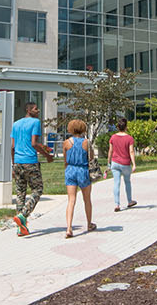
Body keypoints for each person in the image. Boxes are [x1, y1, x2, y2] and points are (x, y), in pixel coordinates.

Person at [10, 102, 53, 236]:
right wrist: (47, 155)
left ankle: (21, 228)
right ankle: (23, 215)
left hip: (18, 162)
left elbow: (13, 147)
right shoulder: (35, 122)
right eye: (35, 109)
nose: (38, 110)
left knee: (20, 193)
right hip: (30, 162)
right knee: (38, 189)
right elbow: (33, 143)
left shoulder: (15, 124)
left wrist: (13, 165)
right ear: (28, 110)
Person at [61, 119, 98, 238]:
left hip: (70, 170)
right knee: (87, 199)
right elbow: (91, 158)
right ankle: (89, 224)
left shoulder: (66, 143)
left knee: (71, 200)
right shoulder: (86, 143)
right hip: (83, 170)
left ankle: (69, 228)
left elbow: (65, 160)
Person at [108, 117, 137, 212]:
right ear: (126, 127)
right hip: (125, 163)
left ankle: (117, 204)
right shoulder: (129, 138)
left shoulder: (113, 137)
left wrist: (108, 163)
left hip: (115, 163)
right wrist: (134, 164)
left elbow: (110, 151)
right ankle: (129, 201)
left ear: (118, 127)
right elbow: (131, 151)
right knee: (127, 182)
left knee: (116, 183)